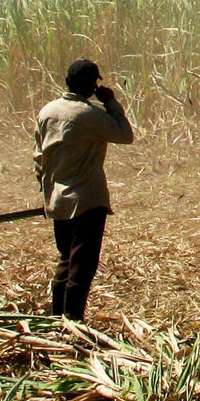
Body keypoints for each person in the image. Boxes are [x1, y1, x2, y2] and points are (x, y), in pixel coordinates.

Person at [33, 59, 134, 321]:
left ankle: (56, 321)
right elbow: (125, 135)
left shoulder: (47, 111)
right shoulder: (90, 115)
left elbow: (39, 157)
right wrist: (110, 102)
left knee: (66, 261)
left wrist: (47, 190)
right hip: (87, 201)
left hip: (57, 201)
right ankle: (73, 322)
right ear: (92, 85)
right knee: (82, 267)